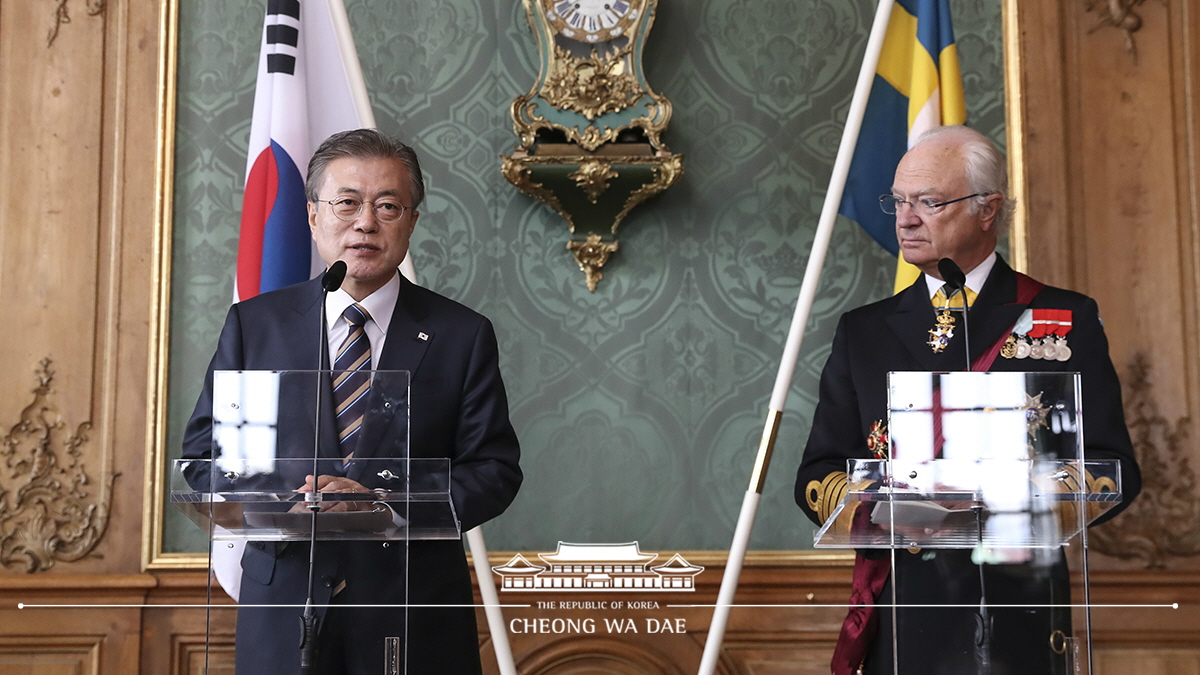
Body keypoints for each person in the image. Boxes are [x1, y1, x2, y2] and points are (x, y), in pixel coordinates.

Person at [794, 125, 1141, 675]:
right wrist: (890, 507)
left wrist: (1015, 499)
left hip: (1021, 612)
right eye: (899, 201)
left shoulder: (1065, 319)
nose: (905, 219)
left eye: (929, 203)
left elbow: (1113, 468)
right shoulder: (864, 332)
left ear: (988, 209)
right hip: (907, 620)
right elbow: (818, 473)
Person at [182, 128, 522, 674]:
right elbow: (206, 463)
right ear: (314, 215)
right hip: (285, 603)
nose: (366, 222)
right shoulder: (257, 325)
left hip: (411, 607)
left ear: (411, 221)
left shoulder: (462, 334)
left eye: (388, 205)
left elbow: (494, 472)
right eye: (347, 203)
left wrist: (383, 505)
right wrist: (282, 502)